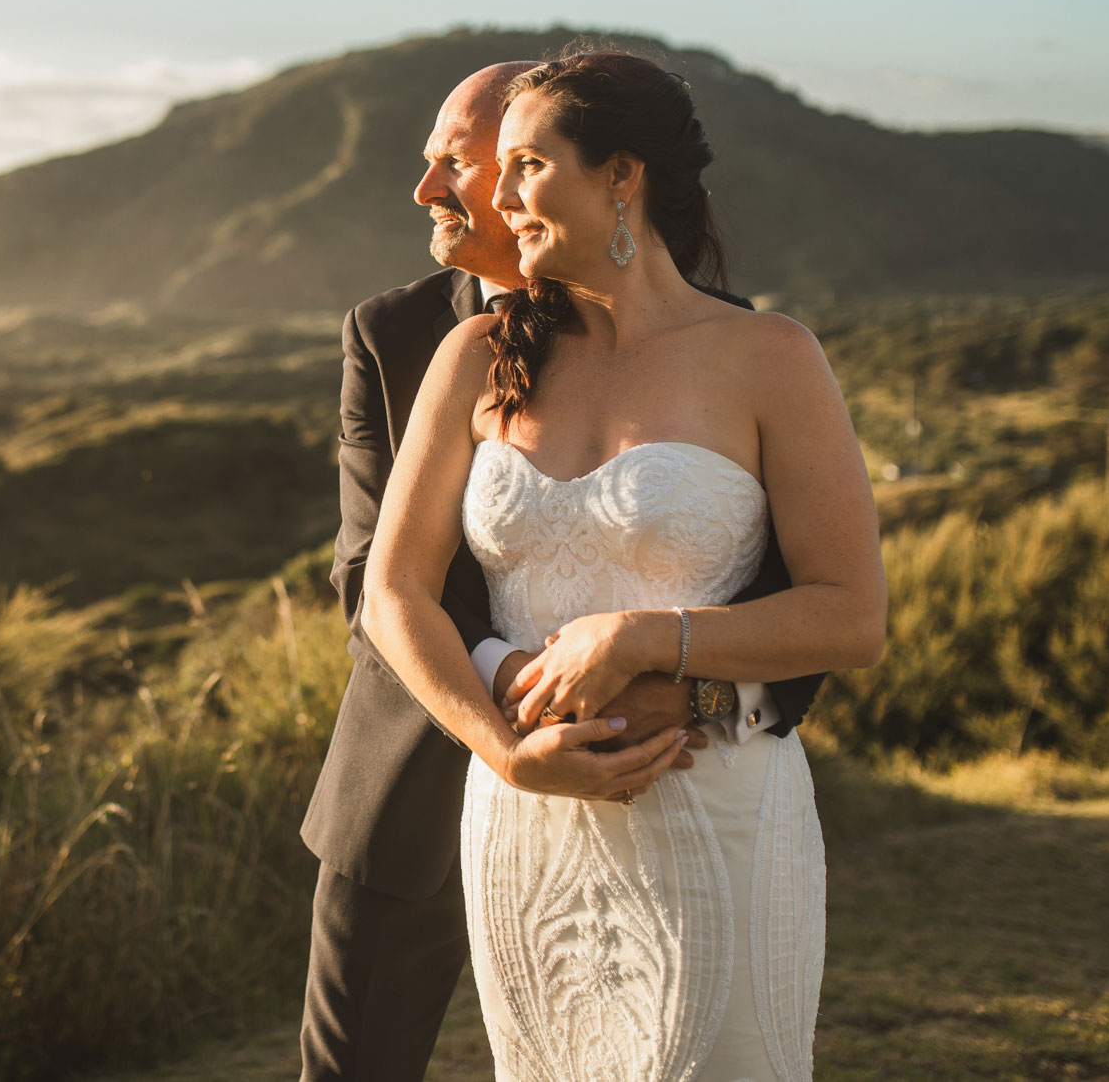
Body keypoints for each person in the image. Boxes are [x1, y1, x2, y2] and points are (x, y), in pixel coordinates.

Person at [298, 59, 833, 1081]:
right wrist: (510, 714)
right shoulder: (421, 339)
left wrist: (679, 677)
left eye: (494, 163)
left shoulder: (747, 344)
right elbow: (379, 574)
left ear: (611, 174)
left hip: (685, 777)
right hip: (450, 779)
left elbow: (800, 592)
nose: (461, 195)